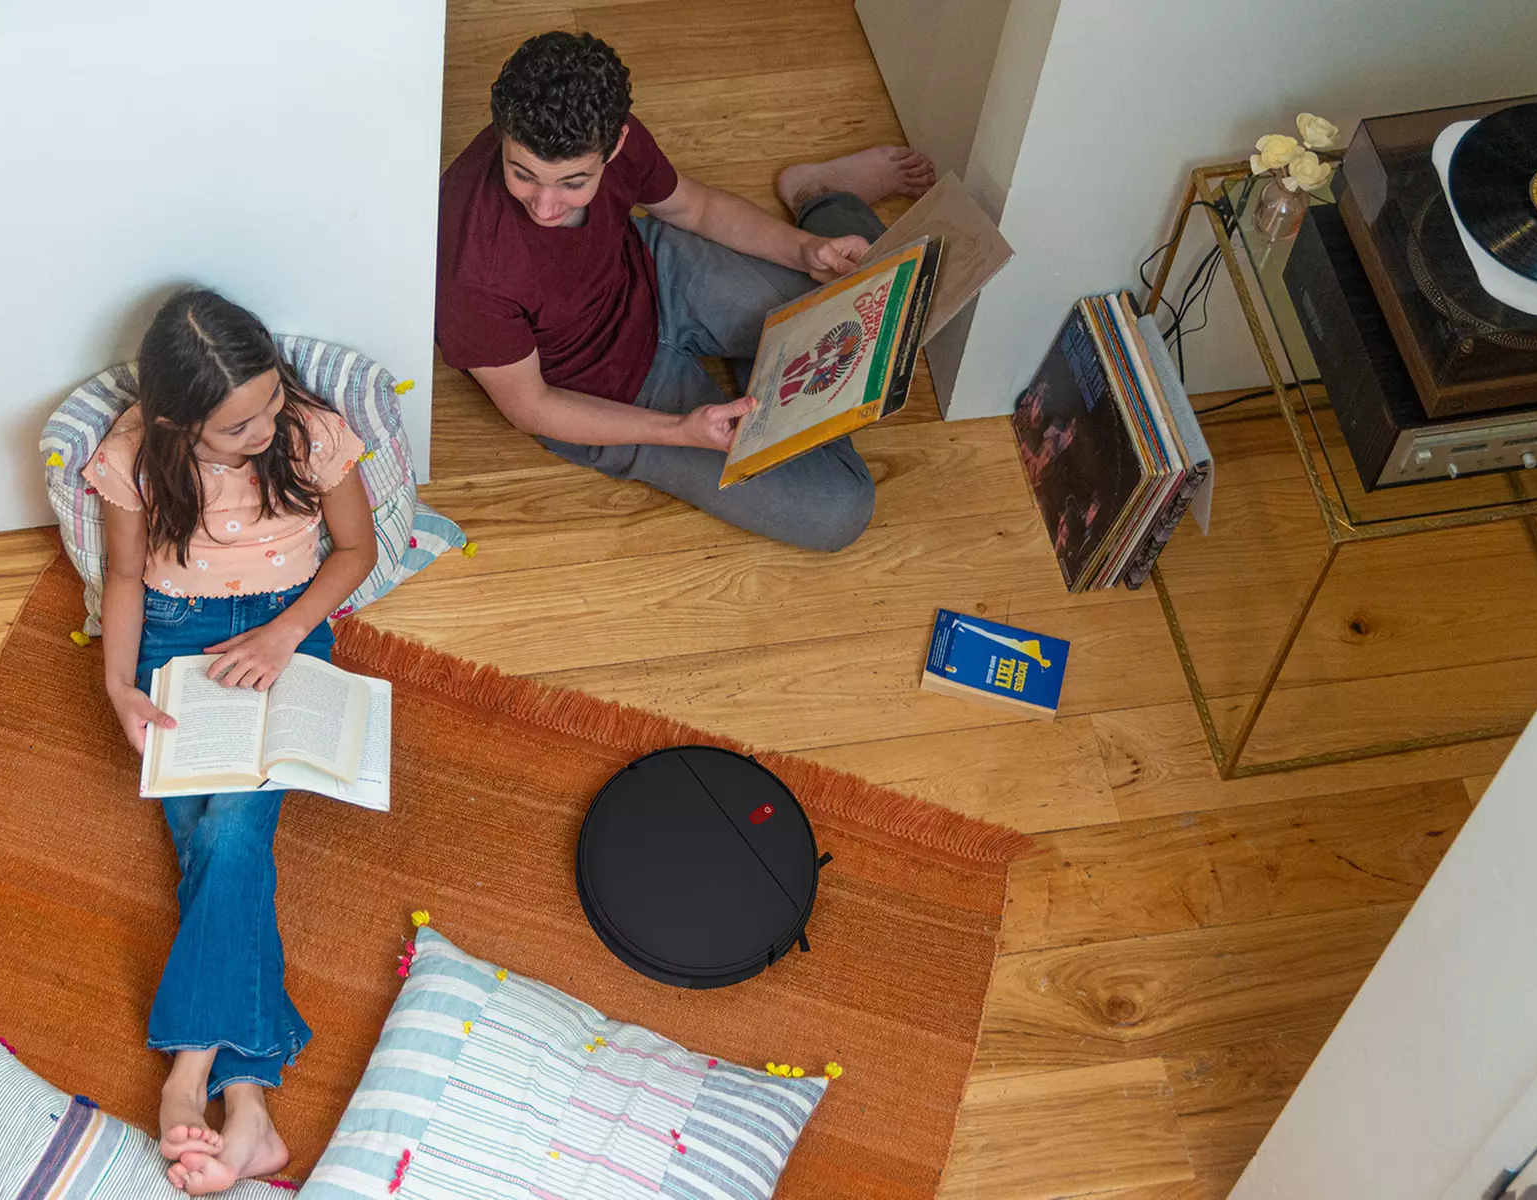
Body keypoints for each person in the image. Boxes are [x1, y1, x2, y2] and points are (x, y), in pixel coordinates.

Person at [436, 31, 937, 552]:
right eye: (523, 174)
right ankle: (773, 371)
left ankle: (822, 195)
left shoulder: (614, 136)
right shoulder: (468, 264)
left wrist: (805, 249)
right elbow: (531, 406)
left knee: (881, 299)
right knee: (839, 510)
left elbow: (695, 209)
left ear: (616, 145)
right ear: (502, 134)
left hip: (657, 271)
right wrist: (681, 431)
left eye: (573, 183)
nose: (544, 206)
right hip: (605, 391)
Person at [90, 289, 374, 1194]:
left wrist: (286, 634)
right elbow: (126, 575)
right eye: (235, 426)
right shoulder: (135, 458)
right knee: (214, 833)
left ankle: (188, 1075)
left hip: (286, 627)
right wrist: (118, 687)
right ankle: (248, 1105)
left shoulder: (311, 431)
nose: (261, 430)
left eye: (267, 406)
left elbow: (355, 552)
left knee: (224, 832)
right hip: (177, 630)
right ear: (177, 421)